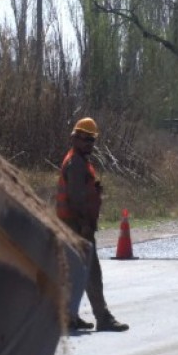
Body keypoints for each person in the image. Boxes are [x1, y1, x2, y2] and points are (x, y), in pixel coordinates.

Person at [57, 117, 128, 333]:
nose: (89, 143)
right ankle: (103, 317)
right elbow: (76, 199)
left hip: (72, 224)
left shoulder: (79, 161)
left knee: (75, 271)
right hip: (77, 226)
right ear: (75, 138)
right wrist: (84, 225)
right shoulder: (76, 164)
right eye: (85, 139)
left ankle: (69, 317)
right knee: (91, 272)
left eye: (92, 140)